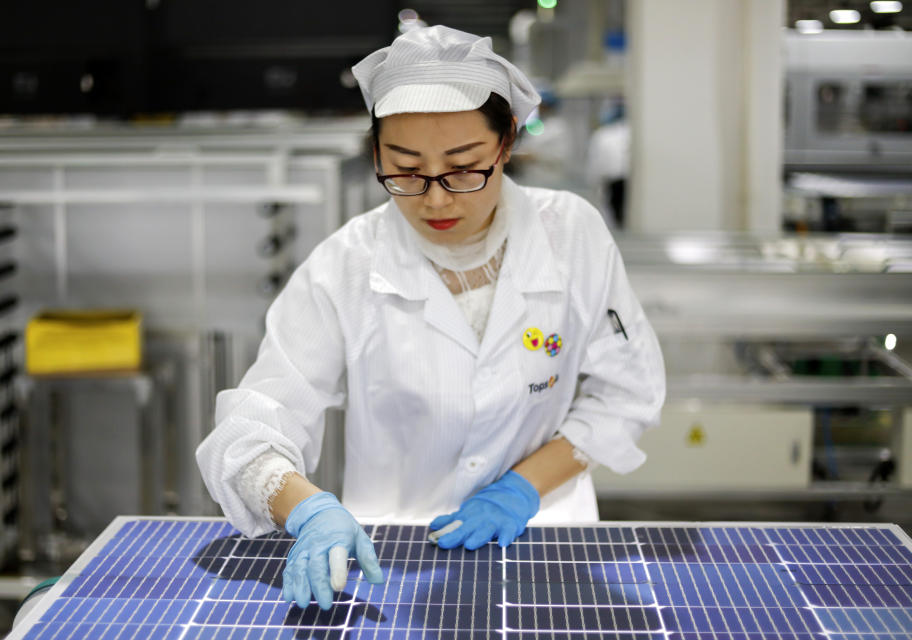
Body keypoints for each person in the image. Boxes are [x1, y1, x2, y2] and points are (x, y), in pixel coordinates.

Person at [196, 25, 665, 612]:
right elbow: (249, 432)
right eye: (407, 170)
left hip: (547, 539)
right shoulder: (345, 266)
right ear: (375, 155)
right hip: (390, 558)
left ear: (507, 144)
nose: (436, 200)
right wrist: (307, 508)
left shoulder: (571, 234)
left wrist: (524, 487)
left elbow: (626, 394)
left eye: (465, 168)